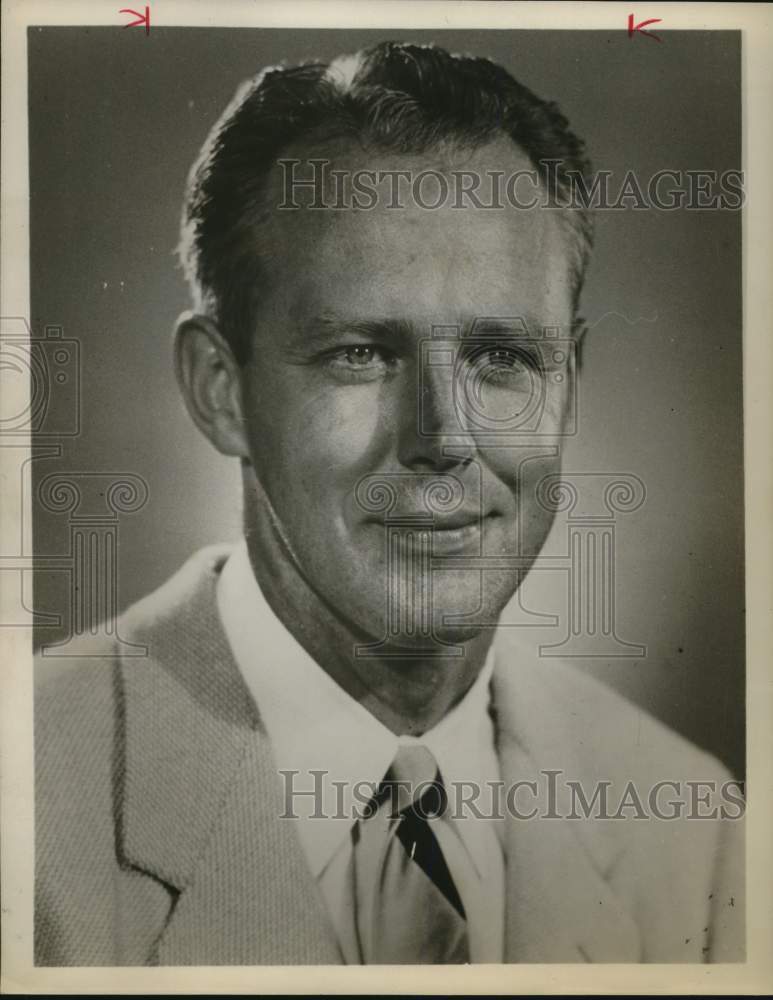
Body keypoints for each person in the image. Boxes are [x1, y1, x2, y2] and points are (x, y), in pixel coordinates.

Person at [34, 40, 743, 966]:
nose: (442, 437)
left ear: (565, 381)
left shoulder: (695, 834)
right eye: (359, 353)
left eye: (501, 357)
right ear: (220, 389)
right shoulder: (28, 802)